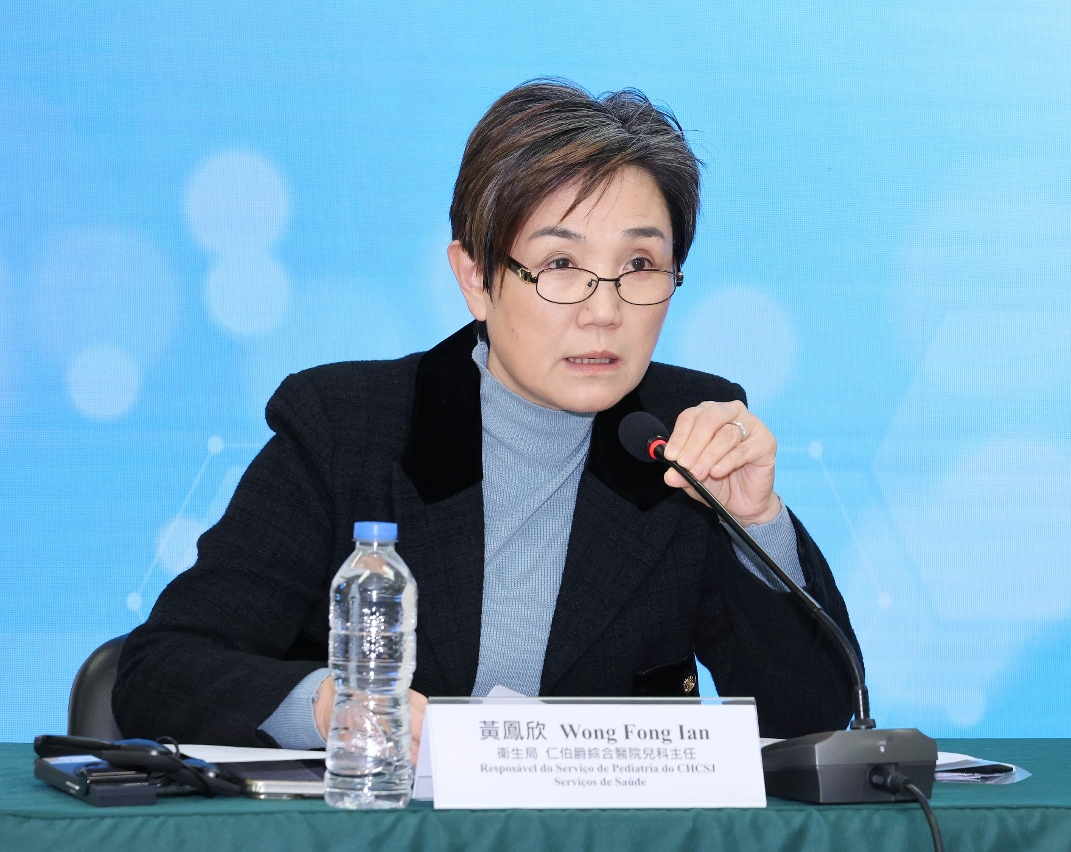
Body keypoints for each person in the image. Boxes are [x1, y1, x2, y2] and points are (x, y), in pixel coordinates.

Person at [113, 79, 861, 753]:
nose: (604, 311)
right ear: (475, 277)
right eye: (561, 265)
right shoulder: (346, 428)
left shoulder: (683, 436)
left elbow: (815, 724)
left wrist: (756, 522)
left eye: (638, 266)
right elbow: (162, 669)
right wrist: (331, 708)